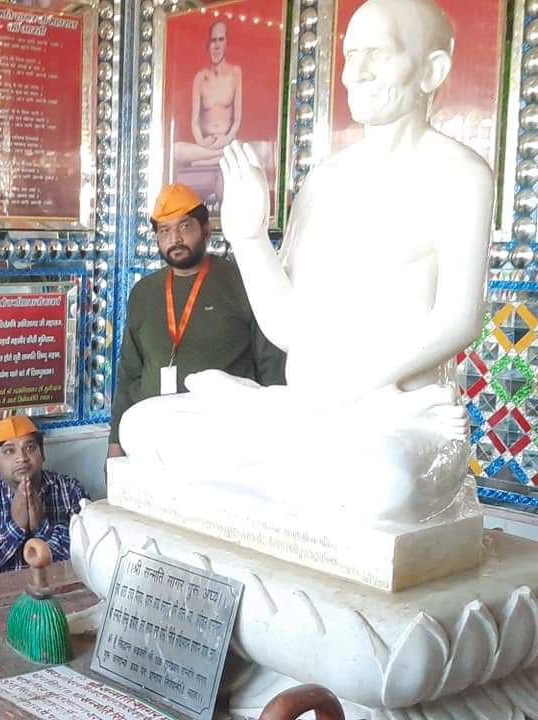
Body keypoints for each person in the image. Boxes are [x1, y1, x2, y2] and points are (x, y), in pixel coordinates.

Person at [119, 0, 491, 523]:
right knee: (142, 426)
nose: (355, 73)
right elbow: (289, 327)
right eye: (351, 55)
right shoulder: (324, 182)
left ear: (432, 70)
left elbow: (459, 319)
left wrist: (334, 397)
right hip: (307, 411)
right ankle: (280, 431)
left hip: (394, 421)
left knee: (384, 486)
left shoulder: (460, 175)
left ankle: (273, 435)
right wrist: (248, 236)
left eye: (377, 54)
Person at [109, 183, 285, 459]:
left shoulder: (243, 282)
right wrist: (115, 442)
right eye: (164, 231)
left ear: (206, 230)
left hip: (226, 442)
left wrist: (278, 436)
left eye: (184, 226)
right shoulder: (143, 292)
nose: (175, 238)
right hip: (155, 444)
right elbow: (129, 373)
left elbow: (271, 365)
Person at [0, 416, 89, 580]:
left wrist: (41, 527)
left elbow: (89, 554)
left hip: (58, 589)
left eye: (30, 448)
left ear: (42, 453)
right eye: (9, 451)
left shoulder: (69, 489)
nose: (22, 458)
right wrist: (16, 528)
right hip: (1, 595)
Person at [172, 22, 242, 206]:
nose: (216, 46)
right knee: (176, 150)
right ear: (208, 45)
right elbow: (194, 122)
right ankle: (219, 155)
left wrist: (226, 139)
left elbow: (237, 120)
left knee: (241, 148)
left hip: (227, 142)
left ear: (227, 44)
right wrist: (202, 142)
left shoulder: (235, 74)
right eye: (213, 41)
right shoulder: (200, 78)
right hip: (206, 145)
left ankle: (216, 156)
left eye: (221, 40)